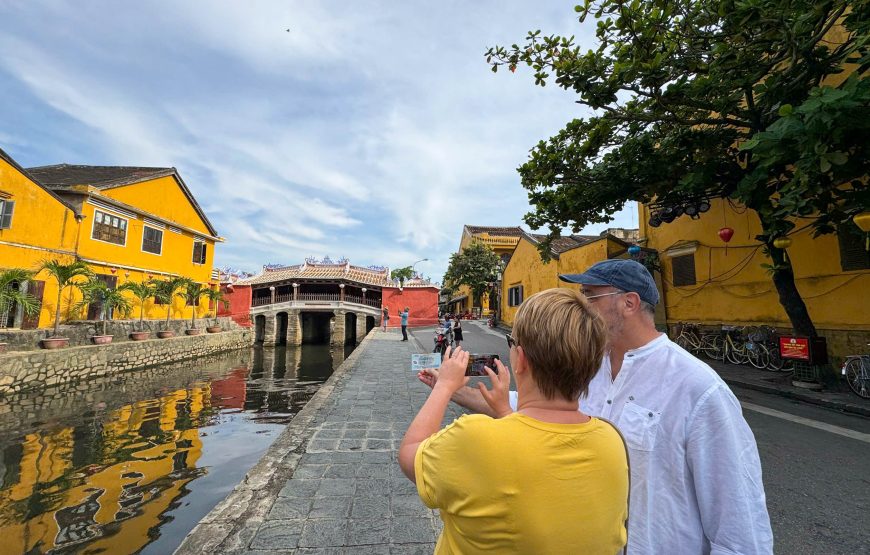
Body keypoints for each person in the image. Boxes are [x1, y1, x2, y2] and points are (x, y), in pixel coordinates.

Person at [418, 259, 773, 555]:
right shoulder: (589, 367)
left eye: (590, 297)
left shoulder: (699, 388)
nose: (581, 307)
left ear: (629, 304)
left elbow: (741, 528)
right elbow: (517, 406)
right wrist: (449, 389)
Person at [400, 289, 629, 554]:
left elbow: (409, 454)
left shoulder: (476, 438)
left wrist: (445, 387)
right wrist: (507, 415)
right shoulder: (612, 440)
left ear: (521, 359)